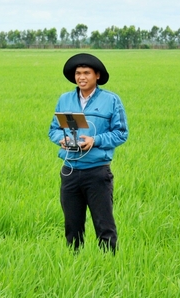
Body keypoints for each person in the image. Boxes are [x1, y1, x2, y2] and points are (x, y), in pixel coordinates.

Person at [48, 53, 128, 252]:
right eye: (78, 73)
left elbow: (121, 133)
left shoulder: (111, 100)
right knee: (72, 229)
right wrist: (62, 139)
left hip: (97, 172)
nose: (81, 77)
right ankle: (74, 269)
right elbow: (53, 129)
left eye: (86, 73)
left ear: (97, 76)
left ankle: (109, 267)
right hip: (70, 172)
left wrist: (96, 140)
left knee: (105, 227)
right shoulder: (65, 99)